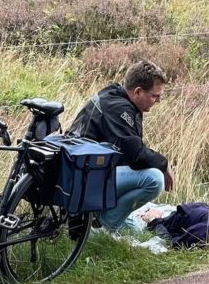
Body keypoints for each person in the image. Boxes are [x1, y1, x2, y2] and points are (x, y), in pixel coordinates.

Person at [66, 60, 174, 232]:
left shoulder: (118, 97)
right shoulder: (119, 109)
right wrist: (164, 163)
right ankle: (103, 232)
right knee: (155, 179)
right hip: (85, 178)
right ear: (138, 92)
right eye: (155, 95)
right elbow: (136, 156)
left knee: (136, 230)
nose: (158, 100)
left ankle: (99, 218)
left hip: (92, 173)